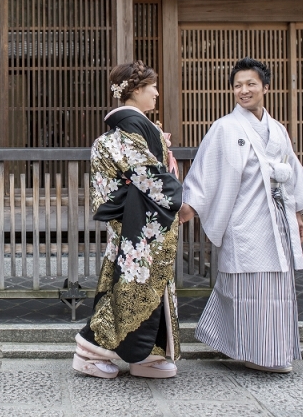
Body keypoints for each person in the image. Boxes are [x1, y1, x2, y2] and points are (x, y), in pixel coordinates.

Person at [179, 57, 303, 373]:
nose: (243, 91)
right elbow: (207, 171)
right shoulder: (225, 128)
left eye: (250, 84)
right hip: (245, 220)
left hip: (277, 218)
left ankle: (274, 351)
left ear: (265, 88)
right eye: (237, 85)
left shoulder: (277, 130)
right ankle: (252, 351)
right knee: (249, 289)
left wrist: (297, 214)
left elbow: (291, 173)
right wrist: (189, 204)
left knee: (277, 288)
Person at [72, 60, 184, 380]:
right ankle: (91, 350)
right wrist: (181, 200)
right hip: (139, 225)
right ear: (135, 91)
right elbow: (148, 176)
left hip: (137, 222)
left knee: (142, 285)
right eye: (152, 88)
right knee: (132, 287)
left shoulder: (130, 130)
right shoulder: (127, 130)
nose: (157, 93)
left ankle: (146, 354)